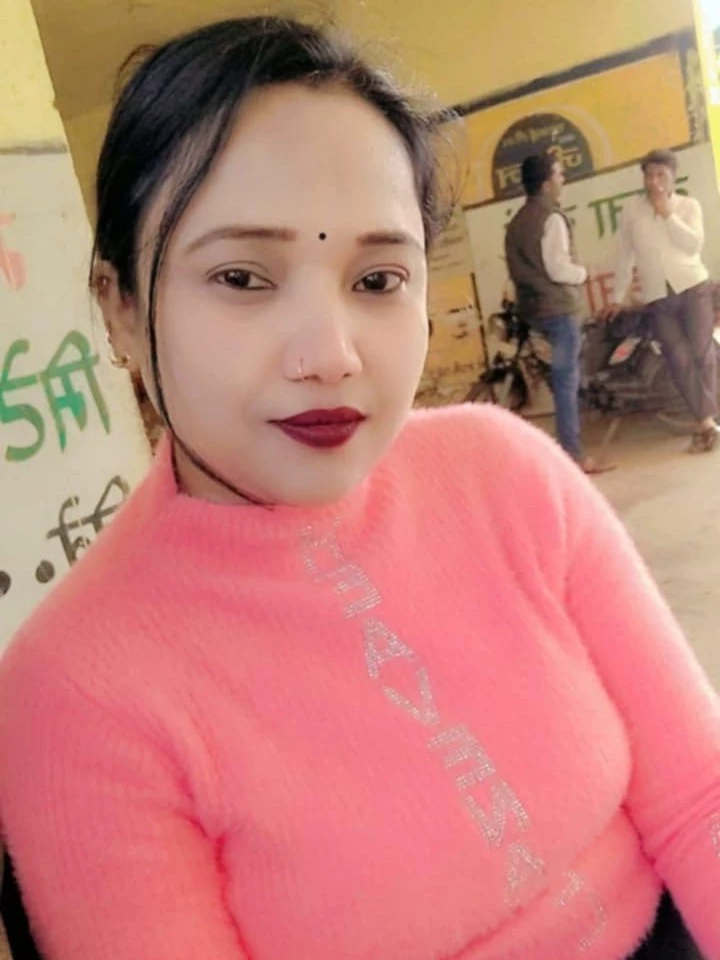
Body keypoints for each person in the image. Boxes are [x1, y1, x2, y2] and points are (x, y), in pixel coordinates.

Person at [0, 16, 718, 960]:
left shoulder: (508, 474)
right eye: (243, 277)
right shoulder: (74, 692)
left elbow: (700, 800)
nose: (330, 356)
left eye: (378, 279)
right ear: (121, 310)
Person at [505, 153, 612, 475]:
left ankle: (568, 446)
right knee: (566, 384)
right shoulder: (551, 218)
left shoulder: (517, 222)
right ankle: (573, 456)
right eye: (559, 175)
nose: (562, 180)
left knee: (561, 381)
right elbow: (557, 268)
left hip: (533, 310)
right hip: (558, 310)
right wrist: (584, 273)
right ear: (546, 183)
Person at [606, 149, 719, 452]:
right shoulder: (632, 211)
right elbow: (625, 255)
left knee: (702, 353)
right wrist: (617, 296)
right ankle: (707, 419)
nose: (654, 181)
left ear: (672, 178)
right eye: (649, 175)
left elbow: (693, 245)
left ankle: (705, 422)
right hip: (657, 295)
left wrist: (667, 213)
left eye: (661, 175)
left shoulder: (688, 206)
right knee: (678, 358)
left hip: (693, 287)